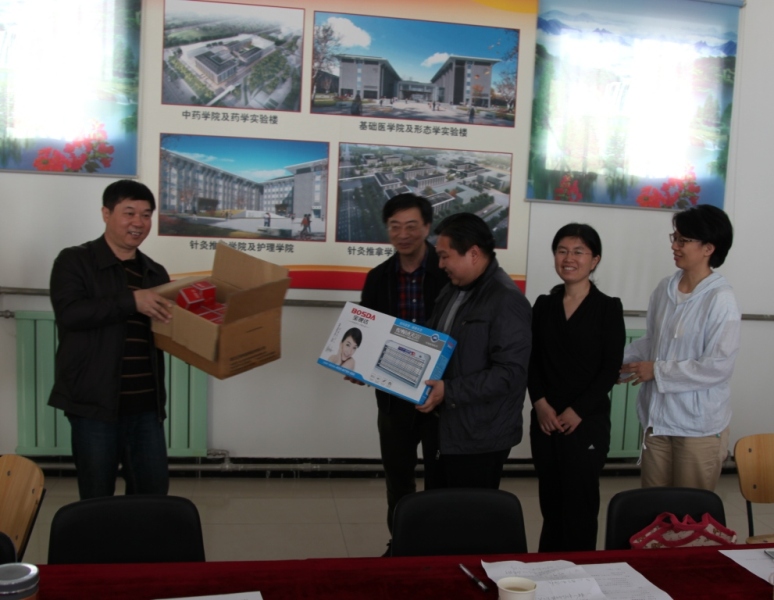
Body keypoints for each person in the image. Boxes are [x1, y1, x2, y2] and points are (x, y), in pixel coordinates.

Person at [48, 180, 174, 500]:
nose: (138, 222)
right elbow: (70, 314)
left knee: (152, 496)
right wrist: (131, 301)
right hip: (95, 404)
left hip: (146, 406)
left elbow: (166, 332)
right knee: (97, 498)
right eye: (129, 213)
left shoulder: (155, 272)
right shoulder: (75, 261)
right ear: (106, 213)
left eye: (146, 215)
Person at [620, 205, 740, 491]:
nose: (674, 246)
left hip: (698, 426)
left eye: (683, 240)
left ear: (708, 248)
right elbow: (653, 341)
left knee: (690, 509)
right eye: (674, 237)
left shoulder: (721, 299)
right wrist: (618, 363)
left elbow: (718, 366)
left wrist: (657, 371)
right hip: (658, 421)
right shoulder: (665, 289)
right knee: (654, 505)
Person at [528, 223, 625, 552]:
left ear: (594, 260)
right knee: (551, 504)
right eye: (562, 251)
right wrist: (540, 403)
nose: (568, 258)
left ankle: (580, 572)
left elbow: (609, 369)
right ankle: (547, 570)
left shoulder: (608, 307)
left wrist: (578, 411)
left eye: (578, 252)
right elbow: (531, 360)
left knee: (580, 506)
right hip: (545, 421)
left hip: (586, 422)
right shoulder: (543, 305)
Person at [359, 193, 450, 542]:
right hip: (392, 399)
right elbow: (367, 333)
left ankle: (436, 551)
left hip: (438, 397)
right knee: (398, 481)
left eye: (411, 226)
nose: (403, 234)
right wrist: (358, 366)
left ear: (427, 227)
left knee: (440, 481)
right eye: (395, 226)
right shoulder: (378, 277)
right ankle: (401, 547)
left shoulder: (446, 273)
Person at [421, 213, 531, 489]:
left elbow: (509, 374)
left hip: (480, 436)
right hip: (444, 427)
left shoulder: (506, 300)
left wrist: (448, 391)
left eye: (445, 256)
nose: (440, 264)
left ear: (473, 253)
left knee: (469, 512)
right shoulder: (452, 290)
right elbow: (432, 342)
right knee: (438, 508)